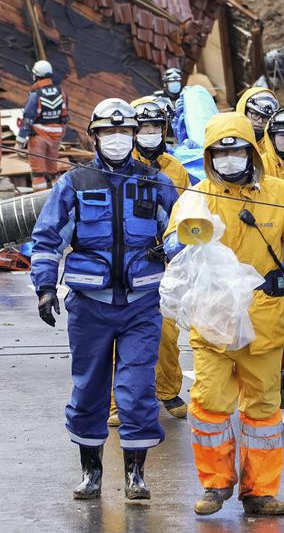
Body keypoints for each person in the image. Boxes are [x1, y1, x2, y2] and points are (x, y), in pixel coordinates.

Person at [163, 112, 284, 517]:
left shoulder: (281, 193)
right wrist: (188, 234)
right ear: (209, 157)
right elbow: (171, 245)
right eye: (220, 152)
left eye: (236, 149)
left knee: (263, 408)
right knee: (209, 402)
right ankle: (215, 484)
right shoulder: (197, 197)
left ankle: (260, 491)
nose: (229, 158)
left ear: (251, 151)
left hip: (264, 316)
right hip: (213, 318)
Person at [28, 99, 179, 501]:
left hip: (141, 305)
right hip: (89, 306)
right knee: (89, 389)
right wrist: (45, 288)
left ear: (134, 136)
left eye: (125, 132)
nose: (117, 139)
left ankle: (135, 476)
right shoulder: (74, 183)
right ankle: (91, 473)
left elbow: (183, 234)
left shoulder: (156, 182)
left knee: (136, 389)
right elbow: (46, 239)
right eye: (109, 133)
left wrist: (190, 273)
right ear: (94, 136)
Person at [101, 97, 191, 427]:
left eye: (156, 126)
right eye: (145, 127)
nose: (150, 132)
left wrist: (170, 246)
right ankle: (115, 402)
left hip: (161, 262)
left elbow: (181, 214)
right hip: (123, 262)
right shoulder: (116, 164)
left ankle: (167, 390)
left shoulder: (176, 169)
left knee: (166, 330)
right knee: (118, 334)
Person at [16, 60, 68, 191]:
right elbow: (65, 116)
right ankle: (60, 196)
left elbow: (28, 118)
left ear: (36, 75)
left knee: (38, 173)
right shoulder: (61, 92)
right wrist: (60, 133)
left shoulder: (36, 95)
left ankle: (39, 203)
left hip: (38, 136)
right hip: (56, 136)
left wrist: (20, 140)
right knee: (53, 170)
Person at [234, 87, 284, 180]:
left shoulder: (276, 144)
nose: (260, 121)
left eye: (265, 118)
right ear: (244, 111)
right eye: (255, 115)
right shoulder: (230, 140)